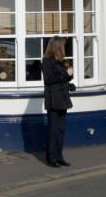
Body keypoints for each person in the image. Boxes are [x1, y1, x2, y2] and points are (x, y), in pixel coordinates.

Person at [42, 36, 74, 168]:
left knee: (61, 130)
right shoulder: (47, 62)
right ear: (57, 46)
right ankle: (51, 158)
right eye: (62, 45)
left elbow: (61, 80)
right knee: (53, 130)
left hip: (62, 99)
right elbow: (49, 79)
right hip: (53, 100)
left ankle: (60, 157)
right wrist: (66, 75)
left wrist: (69, 83)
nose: (64, 48)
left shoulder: (60, 62)